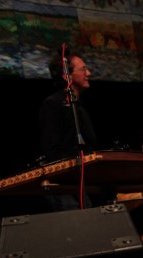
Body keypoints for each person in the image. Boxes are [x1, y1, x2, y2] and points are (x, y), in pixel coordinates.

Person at [39, 49, 97, 211]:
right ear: (67, 76)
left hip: (79, 183)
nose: (89, 73)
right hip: (64, 186)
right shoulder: (53, 104)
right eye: (83, 69)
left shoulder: (79, 106)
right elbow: (53, 149)